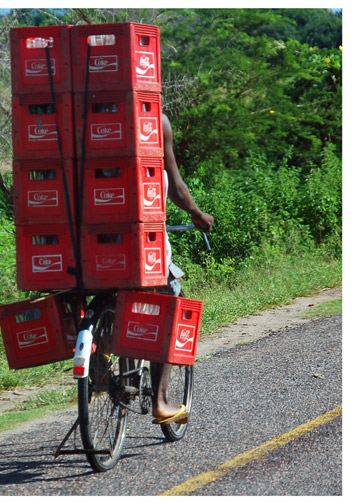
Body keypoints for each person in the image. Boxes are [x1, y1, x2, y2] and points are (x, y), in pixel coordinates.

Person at [150, 112, 214, 425]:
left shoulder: (72, 113)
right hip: (142, 245)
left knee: (99, 292)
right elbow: (175, 185)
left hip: (81, 244)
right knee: (171, 308)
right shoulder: (155, 121)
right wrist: (196, 213)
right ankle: (160, 401)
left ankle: (101, 352)